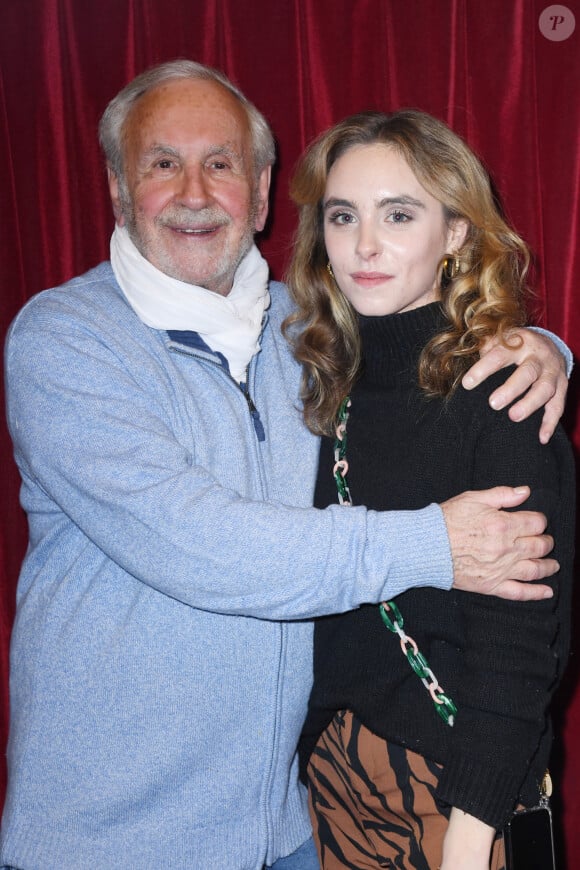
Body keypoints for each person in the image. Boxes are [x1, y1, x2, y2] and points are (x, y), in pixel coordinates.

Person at [0, 61, 571, 870]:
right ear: (120, 189)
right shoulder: (65, 342)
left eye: (222, 163)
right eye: (163, 162)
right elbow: (204, 547)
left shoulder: (306, 338)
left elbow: (421, 333)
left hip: (294, 830)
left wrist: (539, 349)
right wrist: (434, 544)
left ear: (263, 192)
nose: (194, 190)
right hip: (111, 838)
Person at [286, 110, 575, 870]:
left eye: (399, 214)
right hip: (333, 784)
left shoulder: (501, 394)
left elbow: (519, 652)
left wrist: (471, 839)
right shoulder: (326, 384)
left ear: (454, 234)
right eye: (343, 216)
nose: (365, 246)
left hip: (454, 795)